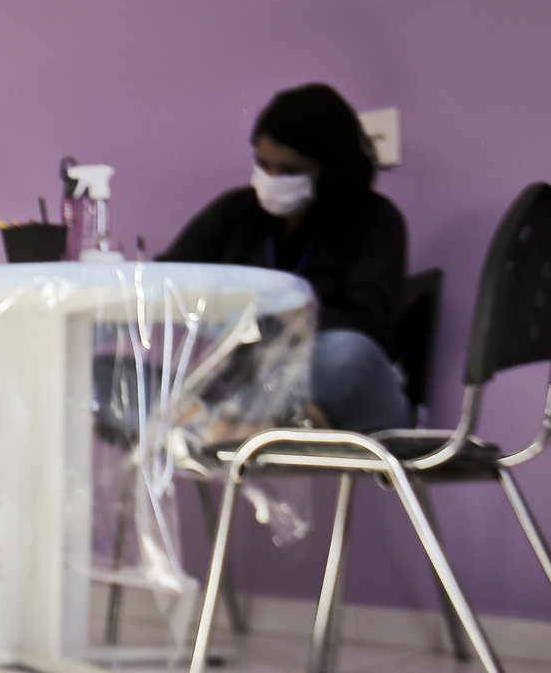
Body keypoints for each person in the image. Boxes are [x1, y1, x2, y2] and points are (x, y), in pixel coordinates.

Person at [163, 84, 413, 432]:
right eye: (263, 165)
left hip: (344, 387)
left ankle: (241, 425)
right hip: (250, 383)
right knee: (115, 373)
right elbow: (166, 279)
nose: (273, 180)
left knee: (346, 354)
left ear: (329, 169)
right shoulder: (236, 213)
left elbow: (368, 328)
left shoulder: (375, 220)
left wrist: (288, 312)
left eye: (291, 170)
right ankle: (242, 425)